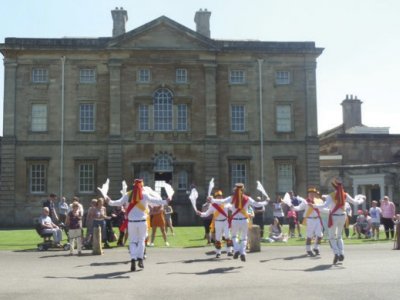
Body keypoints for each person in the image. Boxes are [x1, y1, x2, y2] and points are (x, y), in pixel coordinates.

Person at [105, 179, 167, 272]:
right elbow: (157, 201)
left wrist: (109, 201)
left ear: (134, 185)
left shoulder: (128, 194)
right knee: (142, 241)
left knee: (133, 241)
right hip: (142, 221)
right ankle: (140, 259)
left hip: (131, 222)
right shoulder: (145, 195)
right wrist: (166, 201)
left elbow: (118, 202)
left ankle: (133, 259)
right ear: (141, 186)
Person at [209, 183, 267, 262]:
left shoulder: (232, 198)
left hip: (235, 220)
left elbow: (221, 201)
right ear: (243, 190)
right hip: (244, 220)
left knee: (234, 236)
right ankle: (242, 252)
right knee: (244, 238)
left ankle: (236, 250)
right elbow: (257, 204)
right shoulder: (247, 198)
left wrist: (212, 199)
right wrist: (266, 201)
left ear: (235, 190)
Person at [314, 179, 365, 264]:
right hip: (342, 216)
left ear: (333, 187)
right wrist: (362, 199)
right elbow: (355, 202)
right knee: (339, 236)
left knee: (331, 237)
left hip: (334, 217)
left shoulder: (331, 195)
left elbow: (324, 205)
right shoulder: (345, 194)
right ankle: (341, 252)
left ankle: (336, 253)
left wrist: (314, 205)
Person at [196, 190, 233, 258]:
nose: (220, 197)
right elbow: (206, 214)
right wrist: (200, 213)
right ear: (215, 197)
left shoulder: (226, 203)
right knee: (218, 238)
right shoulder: (213, 206)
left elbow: (233, 209)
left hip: (225, 222)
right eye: (218, 196)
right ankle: (218, 252)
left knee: (228, 236)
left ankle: (229, 251)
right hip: (218, 222)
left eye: (220, 196)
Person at [291, 187, 324, 256]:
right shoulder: (305, 202)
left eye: (313, 194)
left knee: (320, 235)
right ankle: (308, 249)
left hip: (317, 219)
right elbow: (299, 208)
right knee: (309, 235)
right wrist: (293, 208)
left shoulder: (318, 201)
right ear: (308, 194)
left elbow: (322, 208)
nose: (312, 195)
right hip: (310, 220)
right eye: (310, 194)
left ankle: (316, 248)